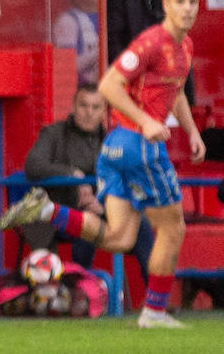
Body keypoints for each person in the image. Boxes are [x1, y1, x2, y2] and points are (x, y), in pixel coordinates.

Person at [1, 0, 204, 329]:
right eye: (181, 2)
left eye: (193, 2)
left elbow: (178, 91)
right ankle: (155, 312)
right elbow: (110, 84)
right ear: (166, 6)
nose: (188, 9)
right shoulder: (151, 43)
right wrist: (145, 121)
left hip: (118, 147)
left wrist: (192, 131)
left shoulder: (185, 47)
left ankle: (48, 210)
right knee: (173, 228)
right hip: (136, 144)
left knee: (120, 236)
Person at [22, 84, 154, 285]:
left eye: (95, 107)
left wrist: (104, 204)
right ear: (73, 107)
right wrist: (71, 173)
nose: (89, 113)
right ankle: (80, 286)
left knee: (139, 222)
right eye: (83, 106)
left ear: (103, 112)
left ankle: (157, 297)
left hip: (99, 210)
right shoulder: (53, 134)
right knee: (87, 221)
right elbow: (32, 165)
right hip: (59, 213)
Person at [53, 0, 101, 86]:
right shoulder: (67, 21)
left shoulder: (110, 16)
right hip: (81, 95)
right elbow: (66, 67)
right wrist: (99, 52)